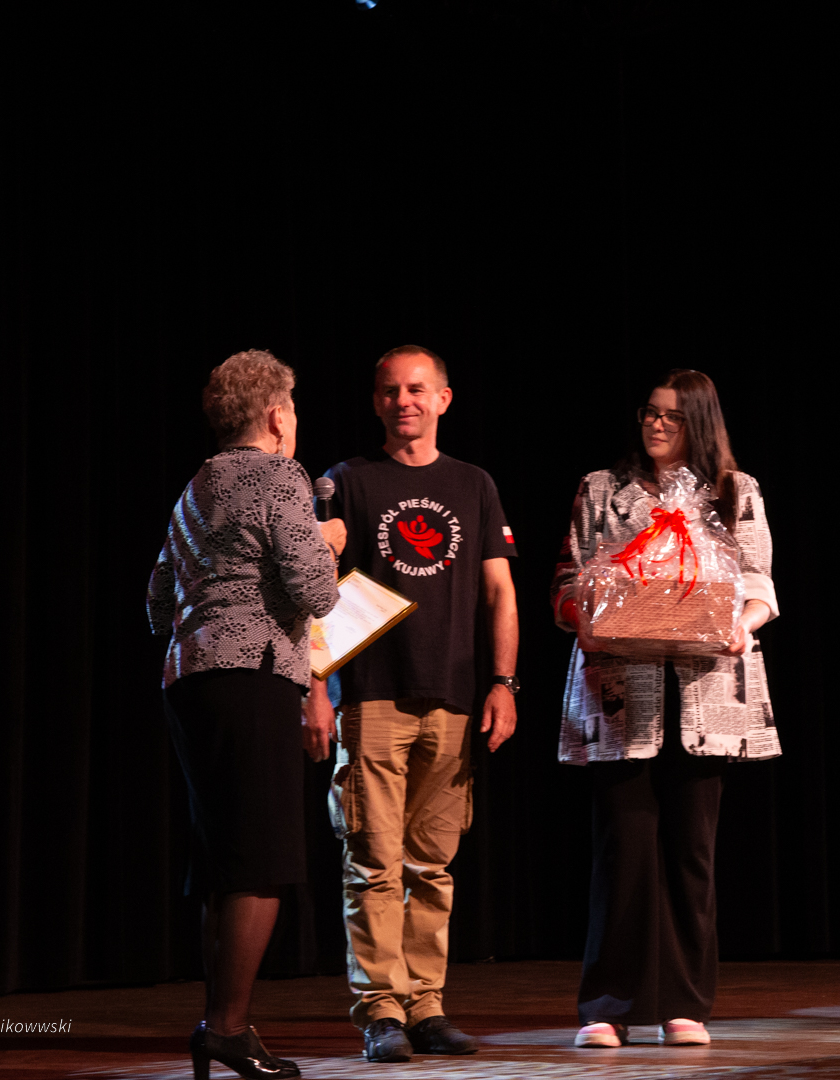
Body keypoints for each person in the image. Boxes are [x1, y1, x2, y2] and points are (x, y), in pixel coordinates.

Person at [552, 369, 779, 1049]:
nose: (655, 424)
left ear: (699, 423)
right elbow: (569, 577)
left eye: (672, 417)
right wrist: (586, 619)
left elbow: (760, 581)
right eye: (650, 412)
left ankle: (685, 1005)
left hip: (706, 691)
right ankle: (608, 1005)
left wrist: (741, 624)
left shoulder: (735, 492)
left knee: (691, 855)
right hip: (621, 692)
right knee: (622, 852)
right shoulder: (602, 488)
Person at [146, 349, 345, 1080]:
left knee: (225, 860)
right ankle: (227, 1029)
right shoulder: (279, 476)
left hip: (190, 678)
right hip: (250, 677)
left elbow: (157, 601)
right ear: (276, 415)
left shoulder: (196, 486)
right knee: (261, 860)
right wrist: (326, 542)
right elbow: (316, 593)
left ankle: (222, 1025)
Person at [320, 345, 519, 1063]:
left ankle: (426, 1006)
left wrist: (504, 683)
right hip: (371, 692)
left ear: (443, 399)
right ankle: (381, 1009)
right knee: (373, 860)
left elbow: (500, 592)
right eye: (390, 390)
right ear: (375, 401)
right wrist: (316, 689)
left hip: (455, 696)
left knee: (431, 865)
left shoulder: (473, 484)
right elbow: (313, 591)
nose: (403, 401)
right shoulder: (346, 481)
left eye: (416, 389)